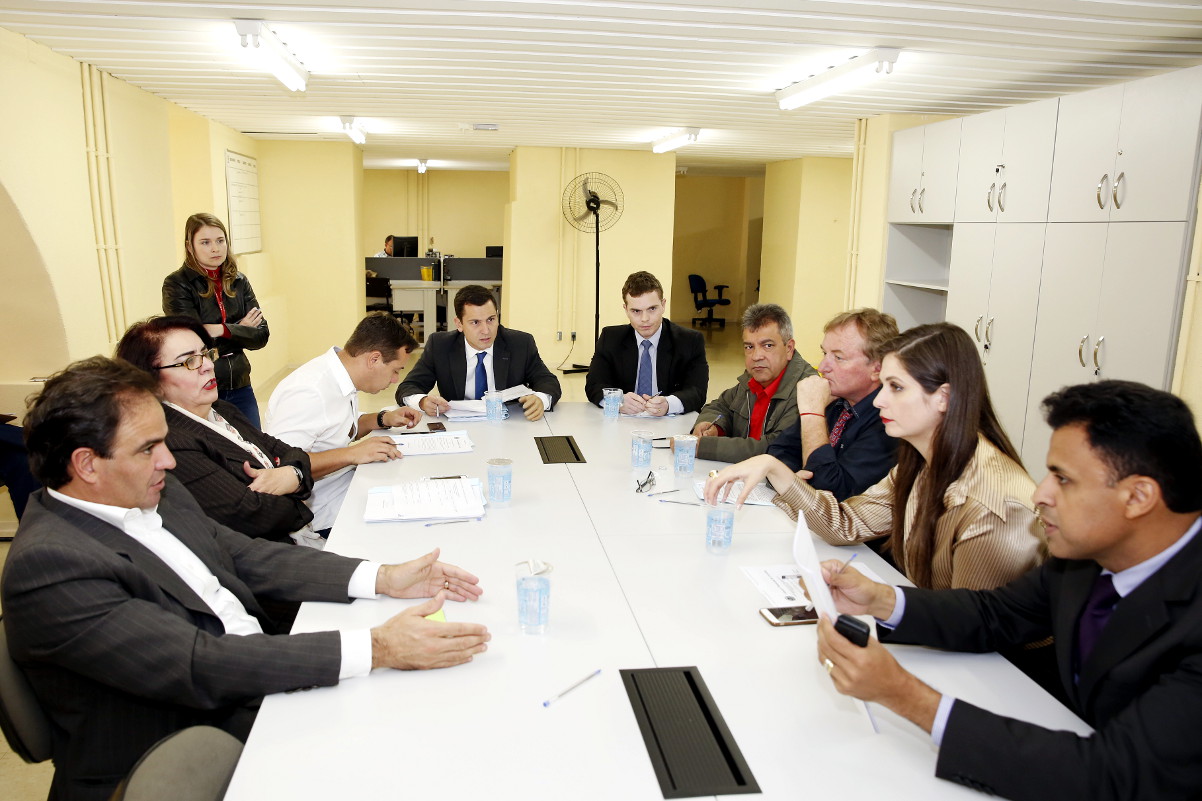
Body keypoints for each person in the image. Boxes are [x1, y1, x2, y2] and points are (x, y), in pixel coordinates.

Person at [0, 356, 490, 801]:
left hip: (246, 676)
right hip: (181, 746)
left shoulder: (149, 489)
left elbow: (246, 555)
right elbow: (199, 665)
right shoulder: (52, 565)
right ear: (86, 464)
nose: (169, 461)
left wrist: (384, 577)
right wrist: (380, 648)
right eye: (149, 448)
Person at [816, 380, 1202, 801]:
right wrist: (880, 598)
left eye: (1064, 480)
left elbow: (1110, 774)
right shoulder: (1086, 556)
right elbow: (995, 614)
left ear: (1139, 496)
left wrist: (904, 695)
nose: (1040, 494)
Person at [707, 323, 1044, 591]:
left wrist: (882, 602)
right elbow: (845, 523)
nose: (879, 401)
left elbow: (971, 626)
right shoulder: (920, 463)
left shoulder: (991, 502)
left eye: (895, 388)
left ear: (943, 398)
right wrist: (774, 468)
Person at [115, 316, 317, 547]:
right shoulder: (172, 442)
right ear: (151, 380)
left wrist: (294, 475)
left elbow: (290, 451)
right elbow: (250, 514)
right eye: (190, 361)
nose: (209, 366)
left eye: (206, 354)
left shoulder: (221, 409)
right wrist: (297, 489)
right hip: (267, 557)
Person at [266, 312, 422, 537]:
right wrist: (352, 454)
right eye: (396, 370)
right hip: (320, 513)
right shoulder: (310, 391)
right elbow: (281, 464)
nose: (395, 379)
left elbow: (341, 428)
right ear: (374, 359)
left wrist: (383, 418)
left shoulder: (342, 376)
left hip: (344, 487)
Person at [766, 308, 899, 501]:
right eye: (824, 353)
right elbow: (777, 451)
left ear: (877, 369)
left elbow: (830, 495)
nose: (821, 367)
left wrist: (812, 415)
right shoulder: (835, 399)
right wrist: (794, 480)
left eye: (838, 357)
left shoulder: (888, 422)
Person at [163, 212, 269, 428]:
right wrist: (240, 330)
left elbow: (261, 336)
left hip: (240, 382)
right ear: (190, 246)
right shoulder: (177, 284)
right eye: (205, 242)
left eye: (220, 241)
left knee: (257, 450)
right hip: (200, 385)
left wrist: (220, 330)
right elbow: (192, 343)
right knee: (220, 455)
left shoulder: (239, 281)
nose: (215, 248)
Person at [395, 285, 561, 421]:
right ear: (459, 324)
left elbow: (547, 381)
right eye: (475, 322)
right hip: (458, 427)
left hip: (507, 425)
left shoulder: (520, 343)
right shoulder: (440, 345)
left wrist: (541, 399)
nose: (486, 330)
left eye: (491, 319)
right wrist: (423, 401)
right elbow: (408, 387)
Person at [691, 303, 819, 462]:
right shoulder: (754, 377)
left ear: (789, 348)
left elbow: (775, 447)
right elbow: (720, 405)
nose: (756, 356)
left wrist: (703, 447)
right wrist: (711, 425)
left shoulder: (807, 388)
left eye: (768, 345)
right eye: (749, 347)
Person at [585, 271, 708, 415]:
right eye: (636, 311)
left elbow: (697, 392)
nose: (645, 319)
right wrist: (617, 400)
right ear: (626, 310)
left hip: (671, 424)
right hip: (623, 422)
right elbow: (594, 385)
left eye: (652, 309)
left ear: (663, 305)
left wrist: (669, 404)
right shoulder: (610, 338)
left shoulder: (689, 340)